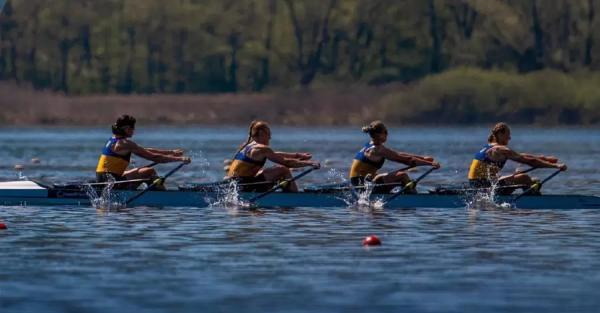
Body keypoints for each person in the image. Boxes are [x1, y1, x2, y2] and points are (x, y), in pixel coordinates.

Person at [468, 122, 567, 194]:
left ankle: (531, 191)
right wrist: (556, 166)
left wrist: (544, 158)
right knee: (524, 177)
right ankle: (533, 201)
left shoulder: (489, 146)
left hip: (477, 184)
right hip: (484, 186)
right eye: (508, 135)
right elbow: (531, 162)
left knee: (528, 178)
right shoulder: (499, 149)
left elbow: (522, 156)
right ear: (500, 134)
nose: (510, 138)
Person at [95, 115, 191, 189]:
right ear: (126, 129)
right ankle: (162, 196)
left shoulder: (113, 139)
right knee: (149, 171)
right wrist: (179, 159)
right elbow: (154, 157)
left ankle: (155, 192)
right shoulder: (124, 143)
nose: (134, 130)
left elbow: (145, 150)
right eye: (132, 128)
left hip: (105, 180)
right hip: (110, 183)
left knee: (139, 170)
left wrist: (171, 152)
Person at [226, 121, 320, 192]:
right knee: (283, 170)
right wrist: (310, 163)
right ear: (261, 135)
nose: (270, 138)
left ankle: (286, 191)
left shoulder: (248, 145)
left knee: (268, 170)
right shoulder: (262, 149)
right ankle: (294, 197)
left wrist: (297, 155)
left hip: (234, 184)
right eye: (268, 135)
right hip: (244, 186)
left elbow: (274, 154)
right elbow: (286, 163)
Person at [349, 120, 440, 193]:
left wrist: (422, 158)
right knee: (402, 176)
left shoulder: (370, 146)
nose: (387, 134)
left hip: (360, 184)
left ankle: (408, 193)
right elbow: (407, 160)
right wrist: (430, 164)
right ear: (380, 134)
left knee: (386, 175)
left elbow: (398, 154)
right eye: (386, 132)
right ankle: (413, 198)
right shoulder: (377, 150)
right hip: (362, 188)